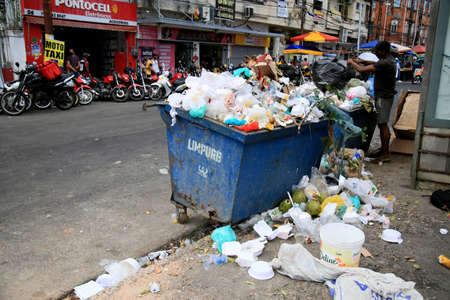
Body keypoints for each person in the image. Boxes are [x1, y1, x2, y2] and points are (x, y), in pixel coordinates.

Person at [347, 41, 396, 163]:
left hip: (384, 97)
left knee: (383, 124)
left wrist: (352, 62)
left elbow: (362, 70)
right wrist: (360, 61)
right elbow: (374, 63)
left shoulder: (385, 62)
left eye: (377, 51)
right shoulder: (389, 60)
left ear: (383, 51)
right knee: (382, 124)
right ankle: (384, 150)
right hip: (386, 96)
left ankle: (385, 154)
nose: (376, 53)